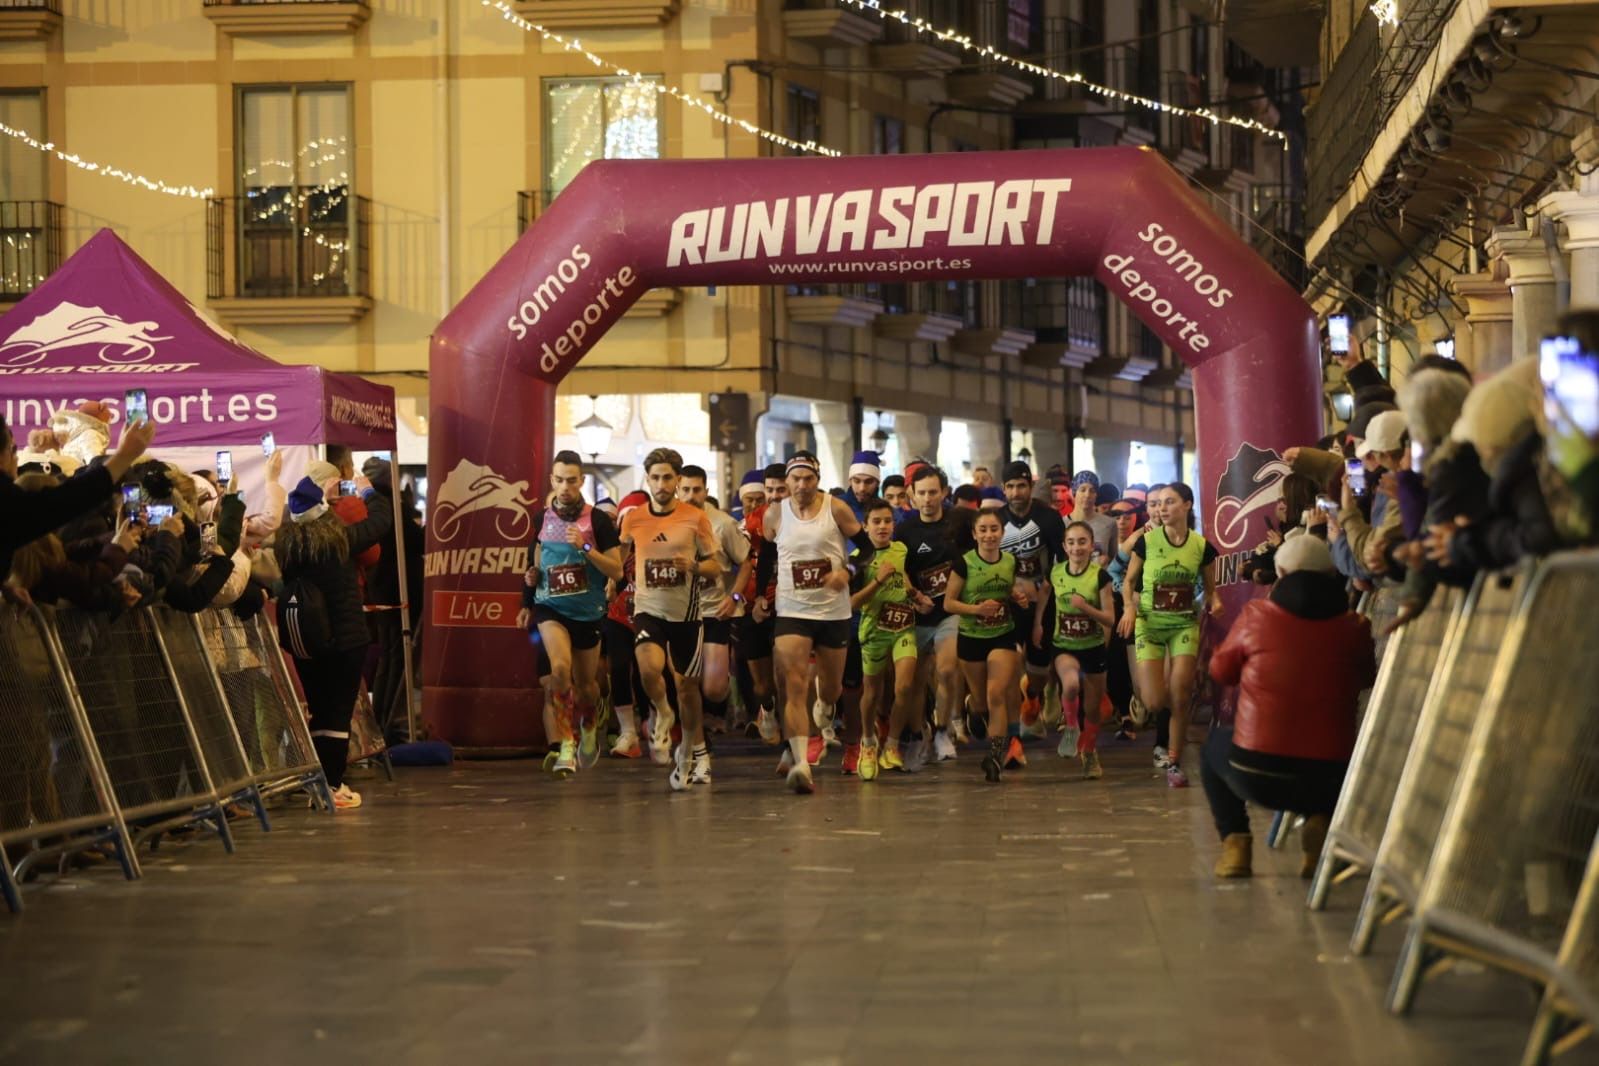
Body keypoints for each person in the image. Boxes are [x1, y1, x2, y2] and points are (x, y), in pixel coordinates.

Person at [1202, 534, 1377, 878]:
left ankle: (1236, 846)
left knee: (1212, 748)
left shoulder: (1257, 616)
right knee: (1328, 771)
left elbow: (1221, 670)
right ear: (1331, 573)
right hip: (1331, 777)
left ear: (1279, 572)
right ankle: (1320, 820)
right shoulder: (1355, 627)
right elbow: (1366, 677)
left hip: (1259, 773)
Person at [277, 472, 393, 810]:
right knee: (338, 715)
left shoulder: (287, 546)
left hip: (306, 642)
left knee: (320, 714)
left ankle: (320, 784)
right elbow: (381, 521)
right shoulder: (338, 538)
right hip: (345, 639)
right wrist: (368, 491)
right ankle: (333, 786)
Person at [757, 451, 869, 794]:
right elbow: (766, 557)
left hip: (832, 612)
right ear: (786, 482)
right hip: (792, 609)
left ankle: (826, 706)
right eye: (795, 479)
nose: (801, 485)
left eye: (808, 478)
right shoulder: (775, 513)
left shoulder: (836, 508)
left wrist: (845, 572)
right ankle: (802, 762)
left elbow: (866, 551)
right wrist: (760, 595)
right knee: (794, 683)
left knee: (831, 690)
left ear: (816, 480)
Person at [516, 451, 624, 776]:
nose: (564, 487)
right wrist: (527, 594)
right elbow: (532, 563)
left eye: (571, 480)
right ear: (552, 480)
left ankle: (589, 721)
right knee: (559, 671)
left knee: (586, 685)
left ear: (581, 481)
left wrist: (586, 548)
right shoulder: (541, 518)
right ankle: (566, 744)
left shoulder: (598, 521)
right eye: (559, 480)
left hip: (588, 612)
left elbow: (617, 571)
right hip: (550, 606)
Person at [619, 448, 721, 791]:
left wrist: (692, 567)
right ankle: (662, 711)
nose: (661, 484)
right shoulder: (633, 519)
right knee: (647, 667)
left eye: (667, 477)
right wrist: (608, 580)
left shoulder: (696, 518)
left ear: (678, 480)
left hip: (687, 615)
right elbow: (618, 558)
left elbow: (714, 568)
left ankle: (689, 754)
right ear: (646, 480)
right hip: (648, 608)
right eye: (655, 478)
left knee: (687, 688)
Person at [1117, 482, 1219, 788]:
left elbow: (1210, 590)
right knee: (1154, 700)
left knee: (1180, 694)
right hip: (1150, 624)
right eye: (1158, 503)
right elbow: (1129, 581)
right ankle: (1145, 706)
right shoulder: (1146, 543)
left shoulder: (1202, 547)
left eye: (1169, 502)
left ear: (1187, 505)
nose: (1161, 508)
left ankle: (1174, 760)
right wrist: (1128, 608)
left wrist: (1215, 601)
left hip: (1183, 625)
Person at [1, 413, 156, 586]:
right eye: (13, 449)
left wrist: (116, 537)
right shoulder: (19, 515)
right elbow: (62, 503)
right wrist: (124, 456)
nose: (15, 457)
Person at [892, 464, 966, 768]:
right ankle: (918, 731)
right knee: (913, 682)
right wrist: (914, 595)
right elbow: (898, 568)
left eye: (933, 492)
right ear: (911, 495)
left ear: (944, 493)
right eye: (921, 493)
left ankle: (942, 730)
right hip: (916, 614)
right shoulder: (905, 530)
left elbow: (973, 562)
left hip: (948, 612)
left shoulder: (959, 524)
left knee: (948, 669)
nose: (927, 499)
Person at [943, 509, 1022, 783]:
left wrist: (1017, 596)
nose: (989, 535)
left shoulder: (1011, 561)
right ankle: (972, 708)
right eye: (984, 530)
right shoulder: (963, 563)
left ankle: (995, 756)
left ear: (1002, 532)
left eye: (994, 529)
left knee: (997, 694)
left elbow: (1006, 588)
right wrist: (977, 609)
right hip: (971, 637)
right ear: (975, 534)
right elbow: (949, 603)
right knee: (981, 702)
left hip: (1003, 634)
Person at [678, 465, 753, 750]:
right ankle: (694, 737)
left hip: (713, 611)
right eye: (685, 489)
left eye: (696, 489)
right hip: (679, 613)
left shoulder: (722, 523)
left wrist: (734, 597)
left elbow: (745, 562)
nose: (691, 495)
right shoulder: (667, 522)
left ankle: (707, 719)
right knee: (686, 682)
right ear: (677, 490)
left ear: (706, 492)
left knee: (714, 687)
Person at [847, 497, 917, 782]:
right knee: (872, 693)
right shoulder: (857, 560)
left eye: (888, 521)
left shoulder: (900, 549)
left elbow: (904, 578)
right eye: (876, 522)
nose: (883, 526)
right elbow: (851, 603)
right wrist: (877, 581)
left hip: (903, 627)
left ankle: (892, 744)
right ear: (865, 526)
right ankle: (867, 742)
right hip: (874, 630)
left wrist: (916, 596)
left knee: (905, 686)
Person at [1040, 520, 1116, 778]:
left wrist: (1086, 608)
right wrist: (1038, 624)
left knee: (1094, 710)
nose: (1076, 548)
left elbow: (1109, 619)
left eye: (1082, 542)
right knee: (1071, 685)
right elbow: (1044, 597)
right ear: (1064, 546)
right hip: (1064, 646)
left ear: (1091, 544)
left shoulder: (1100, 577)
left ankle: (1090, 753)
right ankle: (1071, 727)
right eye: (1071, 542)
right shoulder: (1056, 572)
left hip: (1093, 647)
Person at [996, 460, 1065, 743]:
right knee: (1011, 663)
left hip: (1043, 602)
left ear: (1030, 487)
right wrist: (1008, 588)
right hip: (1009, 604)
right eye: (1010, 487)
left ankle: (1033, 695)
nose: (1016, 493)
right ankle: (1012, 731)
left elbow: (1062, 562)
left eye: (1021, 486)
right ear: (1004, 489)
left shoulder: (1048, 518)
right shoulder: (996, 520)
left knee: (1039, 669)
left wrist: (1044, 588)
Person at [1071, 471, 1119, 563]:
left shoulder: (1109, 524)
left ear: (1096, 494)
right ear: (1074, 492)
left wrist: (1107, 560)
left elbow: (1114, 559)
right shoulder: (1061, 523)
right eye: (1082, 489)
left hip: (1099, 575)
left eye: (1092, 491)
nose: (1087, 495)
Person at [844, 450, 881, 522]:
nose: (862, 488)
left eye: (869, 482)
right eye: (857, 481)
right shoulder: (835, 507)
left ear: (877, 483)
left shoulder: (885, 511)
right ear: (850, 481)